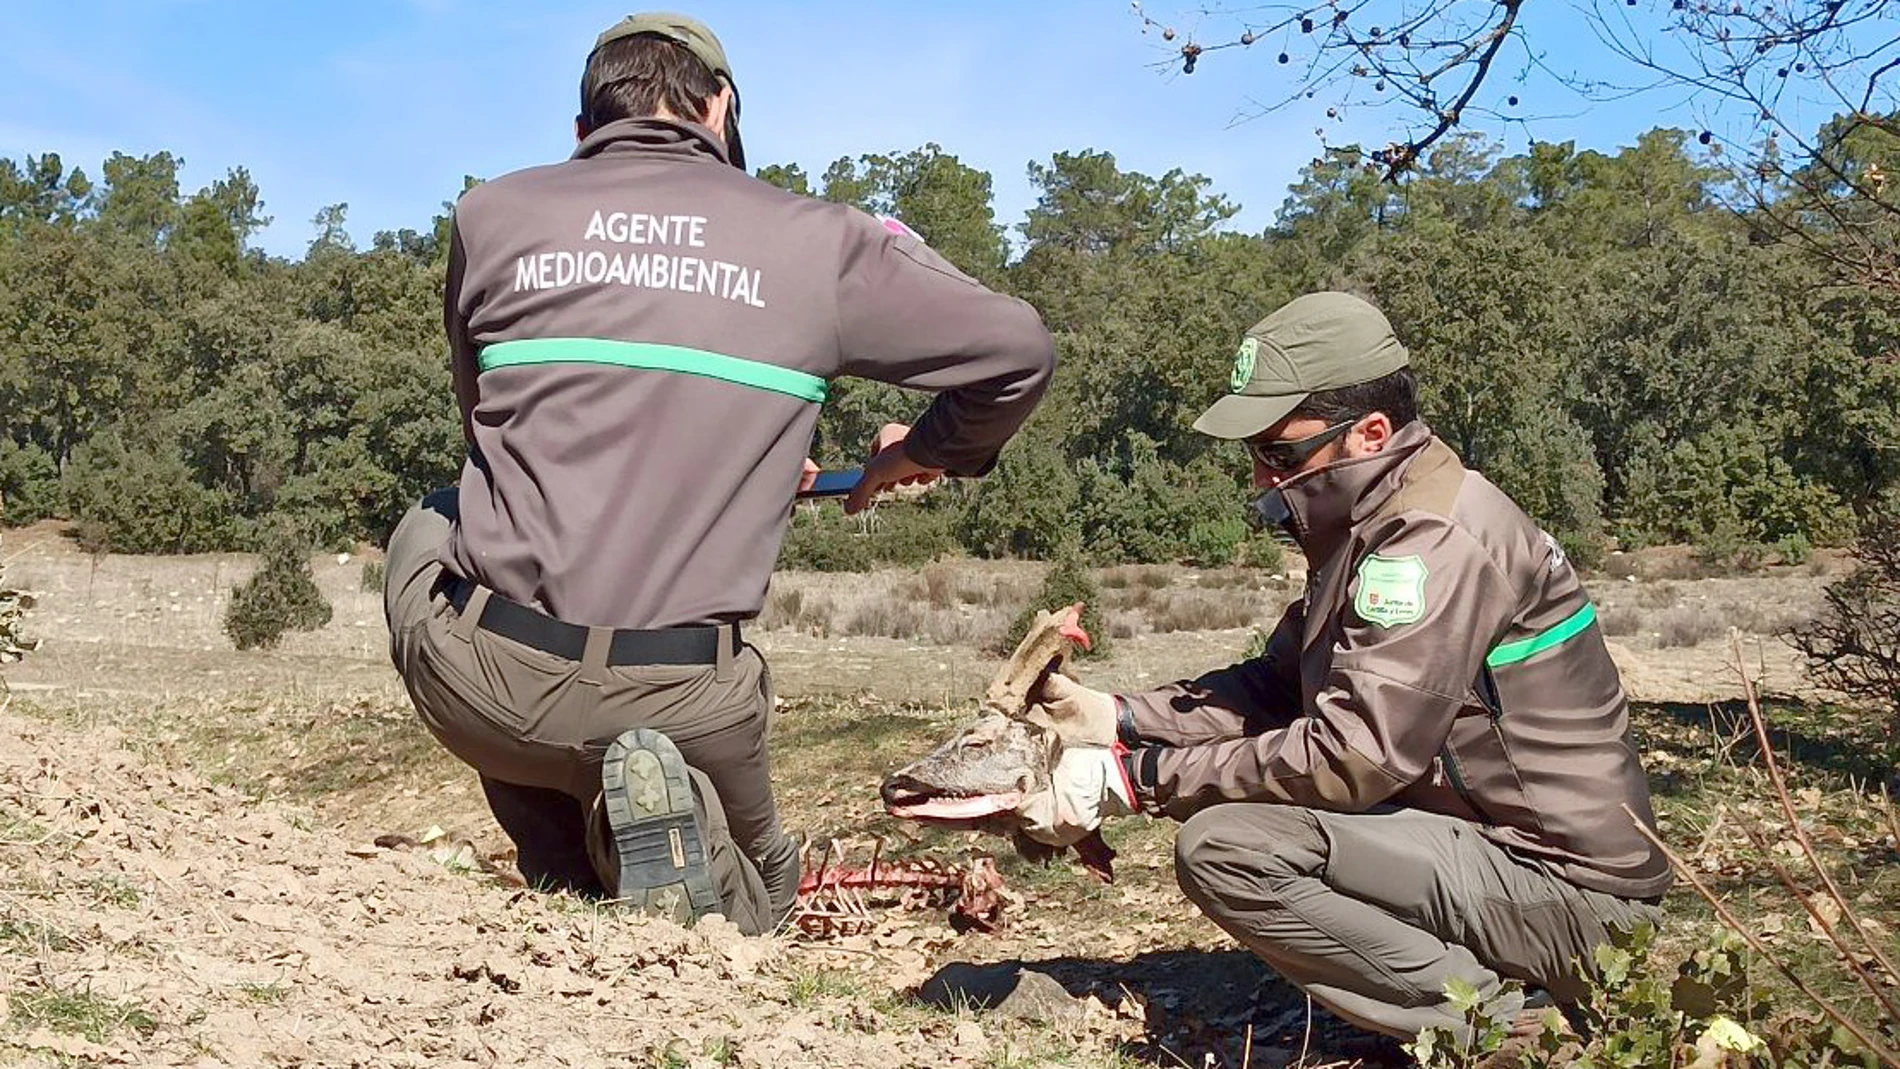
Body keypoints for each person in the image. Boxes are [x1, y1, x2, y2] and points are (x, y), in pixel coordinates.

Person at [384, 12, 1054, 936]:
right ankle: (686, 851)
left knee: (440, 516)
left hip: (491, 686)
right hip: (686, 696)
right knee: (766, 884)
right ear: (721, 107)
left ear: (583, 134)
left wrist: (713, 456)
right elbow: (1018, 352)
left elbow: (499, 444)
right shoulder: (820, 241)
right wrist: (919, 451)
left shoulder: (490, 214)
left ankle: (566, 871)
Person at [1018, 291, 1669, 1044]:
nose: (1262, 479)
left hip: (1573, 894)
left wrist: (1138, 780)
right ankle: (1482, 994)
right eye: (1254, 454)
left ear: (1370, 433)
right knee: (1247, 828)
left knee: (1227, 848)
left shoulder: (1429, 541)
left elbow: (1353, 755)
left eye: (1280, 453)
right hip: (1487, 849)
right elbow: (1272, 688)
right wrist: (1117, 717)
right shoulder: (1371, 522)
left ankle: (1499, 1030)